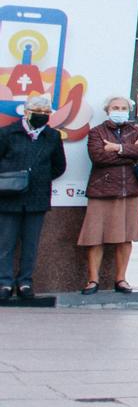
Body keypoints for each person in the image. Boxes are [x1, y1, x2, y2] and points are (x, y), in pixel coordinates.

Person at [0, 92, 67, 302]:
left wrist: (38, 178)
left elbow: (59, 166)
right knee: (6, 243)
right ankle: (4, 282)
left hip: (37, 198)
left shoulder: (52, 136)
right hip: (9, 197)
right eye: (37, 112)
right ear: (26, 112)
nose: (41, 115)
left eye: (45, 112)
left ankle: (25, 282)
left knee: (31, 244)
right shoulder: (8, 133)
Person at [80, 95, 138, 294]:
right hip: (102, 190)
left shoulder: (136, 130)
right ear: (107, 110)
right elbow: (99, 156)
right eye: (115, 107)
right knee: (95, 237)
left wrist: (117, 148)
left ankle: (121, 279)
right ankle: (93, 280)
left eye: (123, 107)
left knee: (125, 238)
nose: (119, 110)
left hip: (129, 191)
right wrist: (130, 152)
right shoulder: (96, 132)